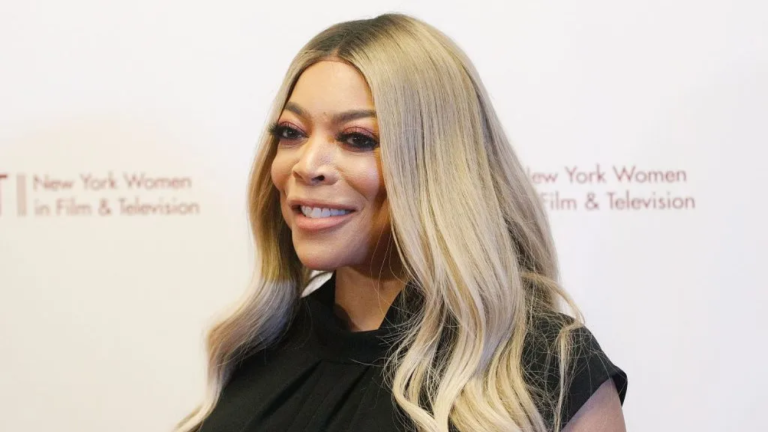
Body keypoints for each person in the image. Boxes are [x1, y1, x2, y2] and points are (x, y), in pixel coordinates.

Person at [174, 13, 627, 432]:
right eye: (291, 132)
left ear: (439, 166)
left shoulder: (544, 367)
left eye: (356, 139)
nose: (308, 165)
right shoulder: (257, 354)